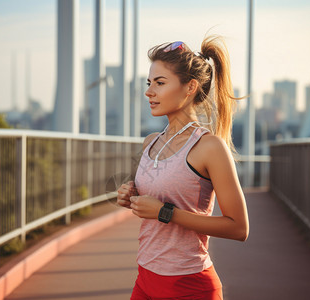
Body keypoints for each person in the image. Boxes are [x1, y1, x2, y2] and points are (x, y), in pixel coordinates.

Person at [117, 35, 249, 300]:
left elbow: (238, 228)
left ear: (190, 87)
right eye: (149, 83)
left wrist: (165, 212)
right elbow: (160, 197)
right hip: (145, 277)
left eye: (160, 83)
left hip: (189, 286)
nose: (149, 92)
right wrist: (130, 196)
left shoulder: (209, 147)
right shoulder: (151, 142)